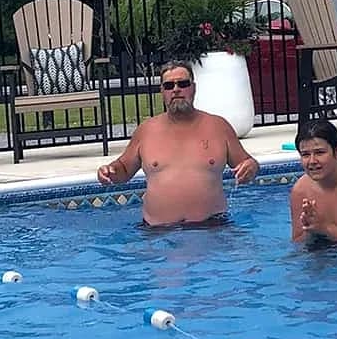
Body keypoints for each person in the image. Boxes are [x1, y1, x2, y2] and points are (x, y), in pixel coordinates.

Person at [96, 62, 259, 226]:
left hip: (212, 228)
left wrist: (250, 167)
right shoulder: (146, 131)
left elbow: (247, 164)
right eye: (169, 86)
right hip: (157, 232)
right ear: (162, 91)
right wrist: (109, 171)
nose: (176, 89)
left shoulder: (218, 127)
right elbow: (124, 170)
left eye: (182, 84)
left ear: (193, 88)